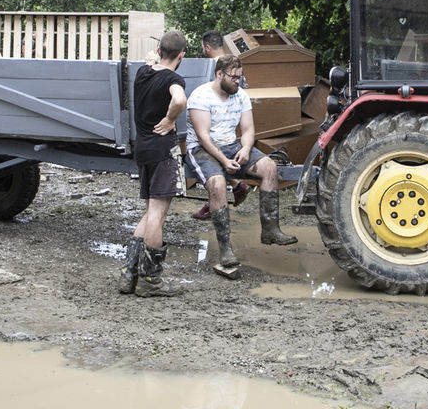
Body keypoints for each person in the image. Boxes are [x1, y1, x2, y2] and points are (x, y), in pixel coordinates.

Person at [186, 53, 296, 279]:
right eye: (234, 77)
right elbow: (203, 137)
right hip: (201, 148)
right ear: (219, 74)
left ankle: (270, 230)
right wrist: (224, 162)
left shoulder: (241, 96)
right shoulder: (200, 97)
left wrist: (245, 149)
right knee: (217, 184)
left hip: (230, 145)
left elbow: (248, 131)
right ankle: (225, 249)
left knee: (269, 167)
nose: (238, 81)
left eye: (240, 76)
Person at [118, 29, 189, 297]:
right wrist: (171, 119)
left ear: (159, 51)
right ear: (182, 55)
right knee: (157, 217)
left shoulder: (143, 73)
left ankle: (128, 275)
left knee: (149, 214)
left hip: (144, 150)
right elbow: (180, 99)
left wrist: (153, 57)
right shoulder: (174, 78)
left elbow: (151, 61)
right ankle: (150, 281)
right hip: (163, 151)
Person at [191, 31, 249, 220]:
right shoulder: (234, 65)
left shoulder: (212, 69)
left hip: (213, 132)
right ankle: (233, 187)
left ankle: (220, 197)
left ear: (207, 47)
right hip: (230, 129)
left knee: (212, 159)